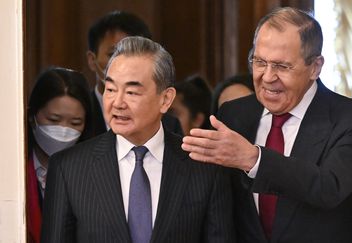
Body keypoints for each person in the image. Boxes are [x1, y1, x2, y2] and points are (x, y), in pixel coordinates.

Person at [182, 7, 352, 243]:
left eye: (281, 66)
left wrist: (254, 159)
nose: (267, 77)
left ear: (315, 67)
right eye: (259, 62)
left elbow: (329, 187)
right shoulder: (234, 114)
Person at [41, 36, 235, 243]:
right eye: (111, 89)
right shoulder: (68, 168)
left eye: (132, 92)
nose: (117, 102)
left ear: (166, 99)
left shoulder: (205, 168)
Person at [86, 10, 182, 137]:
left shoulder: (169, 124)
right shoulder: (78, 115)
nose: (125, 63)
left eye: (135, 55)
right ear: (92, 60)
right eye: (113, 54)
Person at [26, 67, 92, 243]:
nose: (64, 130)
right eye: (54, 120)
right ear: (32, 116)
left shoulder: (94, 174)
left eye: (75, 122)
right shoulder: (15, 171)